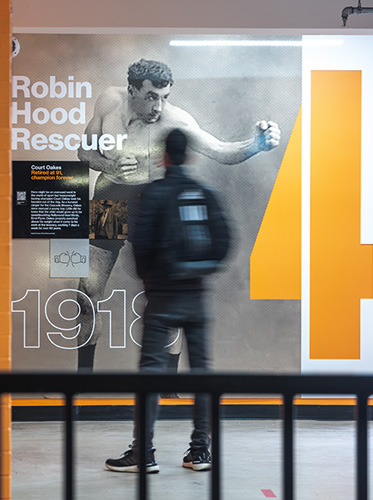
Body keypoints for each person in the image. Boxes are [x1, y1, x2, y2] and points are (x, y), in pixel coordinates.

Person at [75, 58, 280, 372]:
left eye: (164, 97)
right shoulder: (108, 101)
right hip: (110, 198)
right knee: (87, 292)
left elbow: (222, 151)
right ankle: (83, 380)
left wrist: (257, 145)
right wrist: (108, 165)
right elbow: (85, 152)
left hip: (152, 203)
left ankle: (168, 382)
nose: (158, 105)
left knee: (164, 296)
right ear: (131, 89)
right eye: (151, 96)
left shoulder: (177, 121)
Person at [104, 128, 230, 474]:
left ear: (164, 156)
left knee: (150, 374)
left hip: (161, 298)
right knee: (201, 373)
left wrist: (153, 279)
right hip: (196, 297)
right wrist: (199, 271)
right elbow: (224, 243)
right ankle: (199, 452)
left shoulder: (152, 193)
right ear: (189, 156)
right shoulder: (206, 194)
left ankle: (143, 452)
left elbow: (139, 244)